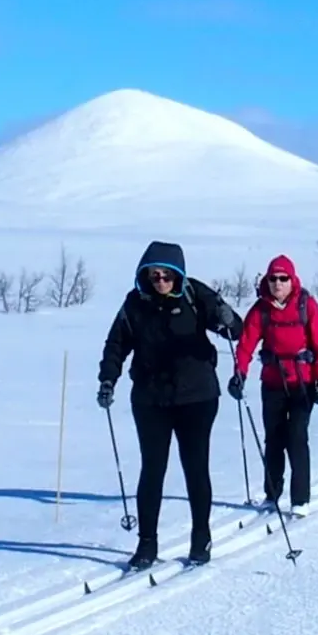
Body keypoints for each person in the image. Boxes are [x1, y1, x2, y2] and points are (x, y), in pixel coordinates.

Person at [97, 240, 243, 569]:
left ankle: (201, 539)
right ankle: (146, 545)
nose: (160, 281)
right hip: (151, 399)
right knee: (152, 470)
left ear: (178, 274)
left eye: (166, 276)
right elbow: (116, 344)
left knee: (195, 467)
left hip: (197, 397)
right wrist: (108, 379)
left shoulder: (196, 295)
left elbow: (237, 331)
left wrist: (227, 318)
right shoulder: (134, 304)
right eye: (154, 276)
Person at [228, 255, 318, 518]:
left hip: (303, 384)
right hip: (273, 383)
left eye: (283, 278)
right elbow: (246, 343)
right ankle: (272, 495)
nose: (277, 283)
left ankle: (300, 500)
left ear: (292, 280)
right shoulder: (262, 309)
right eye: (273, 278)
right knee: (273, 439)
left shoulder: (306, 306)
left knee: (297, 438)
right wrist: (239, 373)